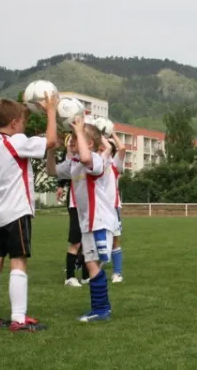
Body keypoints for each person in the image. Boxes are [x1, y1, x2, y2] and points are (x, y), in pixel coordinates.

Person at [0, 92, 58, 332]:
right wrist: (51, 111)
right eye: (23, 123)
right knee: (19, 262)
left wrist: (27, 108)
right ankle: (19, 319)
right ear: (14, 124)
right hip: (16, 212)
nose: (25, 127)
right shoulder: (16, 142)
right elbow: (52, 141)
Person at [47, 119, 118, 322]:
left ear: (89, 144)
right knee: (90, 263)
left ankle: (102, 310)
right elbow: (52, 171)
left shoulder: (96, 159)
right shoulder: (74, 163)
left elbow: (88, 160)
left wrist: (79, 129)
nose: (72, 141)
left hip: (100, 221)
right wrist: (51, 150)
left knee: (93, 264)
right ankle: (100, 308)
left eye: (77, 138)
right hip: (88, 222)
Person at [58, 133, 89, 287]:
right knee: (76, 242)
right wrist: (60, 186)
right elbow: (56, 171)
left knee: (86, 241)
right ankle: (69, 277)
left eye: (74, 141)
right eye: (69, 142)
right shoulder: (70, 162)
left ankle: (85, 275)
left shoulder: (88, 159)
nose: (71, 143)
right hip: (75, 206)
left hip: (88, 206)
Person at [99, 130, 126, 283]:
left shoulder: (115, 164)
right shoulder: (96, 162)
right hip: (97, 207)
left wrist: (113, 133)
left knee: (115, 240)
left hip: (112, 207)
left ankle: (117, 273)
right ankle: (96, 271)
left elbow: (122, 149)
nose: (103, 147)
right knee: (98, 240)